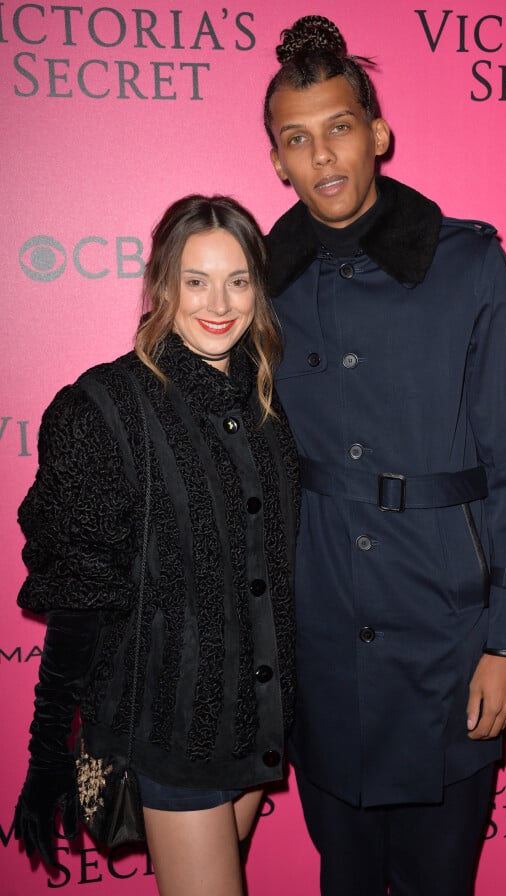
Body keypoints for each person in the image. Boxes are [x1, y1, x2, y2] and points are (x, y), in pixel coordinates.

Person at [263, 15, 506, 896]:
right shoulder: (261, 282)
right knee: (342, 878)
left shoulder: (469, 266)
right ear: (277, 161)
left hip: (448, 635)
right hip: (319, 635)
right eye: (297, 140)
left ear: (378, 134)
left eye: (339, 127)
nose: (323, 156)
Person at [14, 194, 300, 896]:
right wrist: (48, 752)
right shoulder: (104, 407)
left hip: (257, 722)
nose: (219, 302)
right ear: (162, 283)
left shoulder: (268, 404)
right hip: (168, 732)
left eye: (238, 280)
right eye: (195, 280)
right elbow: (78, 599)